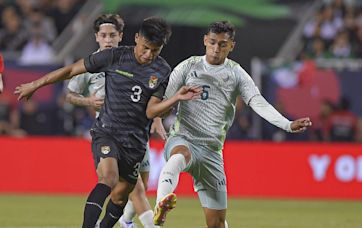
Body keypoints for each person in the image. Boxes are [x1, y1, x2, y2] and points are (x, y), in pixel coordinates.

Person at [15, 16, 201, 228]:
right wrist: (35, 84)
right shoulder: (113, 57)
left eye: (155, 50)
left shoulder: (162, 71)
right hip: (107, 132)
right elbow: (69, 71)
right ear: (137, 38)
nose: (148, 55)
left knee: (121, 197)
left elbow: (151, 111)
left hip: (135, 143)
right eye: (145, 48)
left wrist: (176, 98)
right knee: (108, 178)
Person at [146, 21, 312, 227]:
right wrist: (158, 117)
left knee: (216, 222)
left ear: (231, 45)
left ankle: (164, 202)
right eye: (213, 42)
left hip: (212, 151)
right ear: (205, 40)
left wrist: (287, 125)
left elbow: (258, 102)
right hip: (184, 136)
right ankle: (161, 203)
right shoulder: (188, 66)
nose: (216, 49)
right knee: (180, 155)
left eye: (222, 44)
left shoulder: (236, 74)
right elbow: (165, 101)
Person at [65, 14, 166, 228]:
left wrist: (156, 117)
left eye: (112, 35)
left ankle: (126, 220)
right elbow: (69, 95)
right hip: (108, 132)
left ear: (121, 36)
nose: (108, 39)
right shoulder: (92, 65)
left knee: (139, 187)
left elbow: (148, 94)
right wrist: (88, 100)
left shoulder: (131, 60)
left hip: (137, 133)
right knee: (133, 188)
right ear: (96, 37)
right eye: (103, 35)